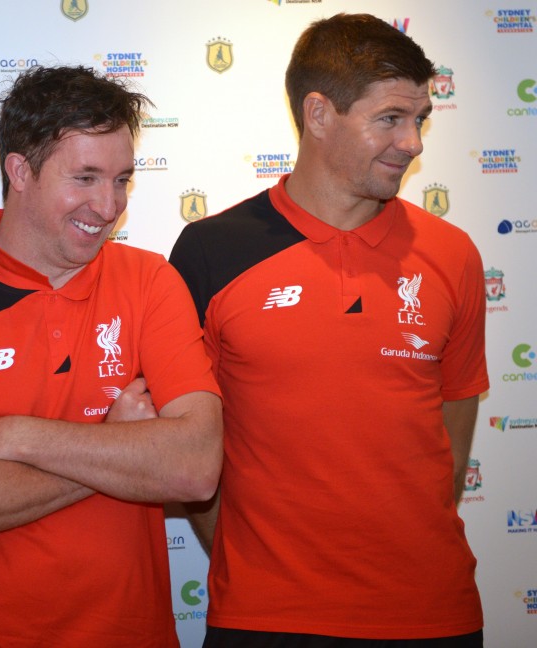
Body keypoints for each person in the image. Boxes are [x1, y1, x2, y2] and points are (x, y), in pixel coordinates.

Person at [0, 65, 223, 647]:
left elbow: (194, 467)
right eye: (85, 178)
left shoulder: (150, 281)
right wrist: (117, 446)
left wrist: (19, 436)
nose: (108, 205)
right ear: (19, 171)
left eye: (122, 180)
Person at [169, 13, 486, 647]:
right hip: (265, 619)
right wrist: (254, 563)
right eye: (390, 118)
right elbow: (186, 449)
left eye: (420, 119)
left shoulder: (453, 255)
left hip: (433, 615)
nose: (413, 142)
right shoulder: (211, 252)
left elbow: (451, 445)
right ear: (318, 114)